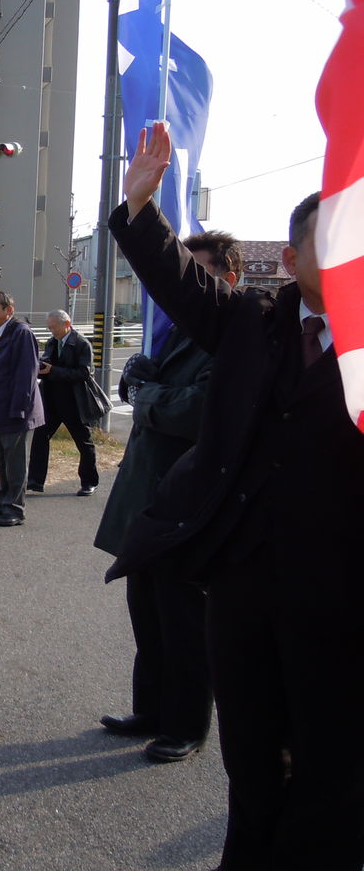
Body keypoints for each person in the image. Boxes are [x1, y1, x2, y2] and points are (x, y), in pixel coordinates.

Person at [107, 122, 364, 868]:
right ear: (289, 259)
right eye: (335, 238)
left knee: (333, 768)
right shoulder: (252, 324)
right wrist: (140, 204)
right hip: (244, 582)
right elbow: (179, 283)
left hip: (342, 593)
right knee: (249, 754)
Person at [93, 231, 242, 765]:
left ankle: (186, 725)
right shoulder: (179, 330)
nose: (182, 290)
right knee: (147, 611)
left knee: (183, 620)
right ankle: (151, 709)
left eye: (194, 276)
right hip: (150, 494)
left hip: (189, 503)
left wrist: (145, 393)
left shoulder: (233, 337)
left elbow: (199, 407)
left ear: (226, 279)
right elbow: (158, 391)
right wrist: (139, 376)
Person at [0, 289, 45, 527]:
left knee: (16, 463)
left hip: (17, 412)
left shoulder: (21, 334)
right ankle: (3, 501)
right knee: (3, 461)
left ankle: (15, 508)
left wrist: (19, 409)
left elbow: (27, 375)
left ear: (9, 310)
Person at [27, 309, 102, 496]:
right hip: (51, 399)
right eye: (49, 327)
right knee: (40, 437)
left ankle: (89, 481)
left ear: (67, 324)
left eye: (54, 327)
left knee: (84, 442)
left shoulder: (81, 344)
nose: (51, 330)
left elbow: (84, 373)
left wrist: (53, 371)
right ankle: (35, 481)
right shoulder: (53, 342)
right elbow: (48, 363)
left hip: (74, 401)